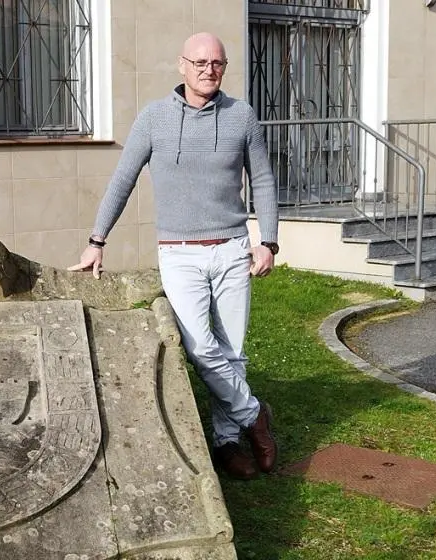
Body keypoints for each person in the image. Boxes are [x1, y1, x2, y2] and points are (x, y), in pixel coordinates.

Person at [69, 32, 279, 480]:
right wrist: (97, 239)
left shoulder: (241, 116)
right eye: (200, 62)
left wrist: (269, 241)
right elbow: (122, 180)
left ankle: (226, 443)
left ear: (224, 67)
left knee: (233, 352)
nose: (209, 69)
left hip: (231, 249)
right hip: (179, 253)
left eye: (217, 63)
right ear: (181, 65)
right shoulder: (154, 120)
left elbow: (262, 180)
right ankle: (254, 417)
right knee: (202, 348)